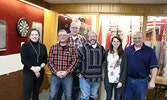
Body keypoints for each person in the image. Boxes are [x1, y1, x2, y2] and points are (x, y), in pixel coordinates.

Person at [124, 32, 159, 100]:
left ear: (143, 39)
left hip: (141, 81)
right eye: (135, 38)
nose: (137, 40)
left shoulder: (150, 51)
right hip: (128, 80)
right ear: (133, 39)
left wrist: (152, 81)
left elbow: (154, 67)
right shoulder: (128, 49)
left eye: (139, 38)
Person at [57, 22, 86, 100]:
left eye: (76, 28)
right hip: (65, 68)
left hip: (77, 68)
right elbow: (58, 51)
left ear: (79, 29)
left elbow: (85, 53)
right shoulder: (64, 37)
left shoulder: (82, 39)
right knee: (61, 89)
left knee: (75, 89)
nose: (75, 29)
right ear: (69, 28)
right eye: (73, 27)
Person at [48, 29, 78, 100]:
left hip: (68, 76)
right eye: (60, 35)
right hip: (55, 76)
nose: (62, 37)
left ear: (67, 37)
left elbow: (75, 61)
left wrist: (66, 71)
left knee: (68, 96)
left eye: (64, 35)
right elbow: (49, 62)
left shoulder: (72, 48)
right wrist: (56, 72)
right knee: (52, 96)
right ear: (57, 37)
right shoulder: (53, 48)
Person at [77, 30, 105, 100]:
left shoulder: (101, 48)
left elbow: (103, 60)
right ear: (88, 38)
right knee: (85, 96)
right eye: (90, 37)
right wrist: (78, 73)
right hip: (84, 77)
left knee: (94, 96)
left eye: (94, 36)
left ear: (96, 37)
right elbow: (77, 61)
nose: (92, 38)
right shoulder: (83, 48)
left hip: (97, 77)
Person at [20, 28, 47, 100]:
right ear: (29, 36)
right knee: (27, 93)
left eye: (36, 35)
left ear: (39, 36)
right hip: (28, 72)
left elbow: (45, 59)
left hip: (40, 72)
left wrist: (40, 68)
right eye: (32, 35)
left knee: (36, 92)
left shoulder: (43, 46)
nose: (34, 36)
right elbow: (24, 60)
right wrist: (34, 69)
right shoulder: (25, 46)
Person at [104, 36, 127, 100]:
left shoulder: (123, 53)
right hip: (108, 79)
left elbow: (125, 68)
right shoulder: (107, 52)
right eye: (114, 41)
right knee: (108, 97)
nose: (116, 43)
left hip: (118, 80)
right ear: (111, 42)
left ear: (120, 43)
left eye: (117, 41)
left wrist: (121, 81)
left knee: (117, 97)